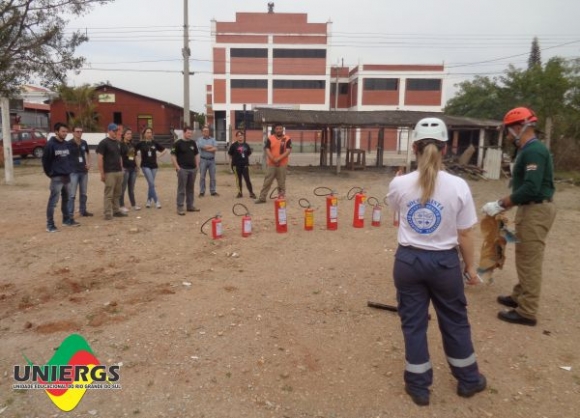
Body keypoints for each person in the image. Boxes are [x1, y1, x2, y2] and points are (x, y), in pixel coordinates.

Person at [386, 117, 486, 406]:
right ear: (445, 149)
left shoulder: (400, 182)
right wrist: (469, 267)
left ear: (415, 147)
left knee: (413, 324)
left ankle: (418, 387)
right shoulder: (458, 186)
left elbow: (396, 211)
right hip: (444, 264)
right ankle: (468, 380)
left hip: (408, 262)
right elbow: (465, 233)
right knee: (455, 321)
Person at [481, 107, 556, 326]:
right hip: (530, 208)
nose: (507, 135)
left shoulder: (534, 151)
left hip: (536, 208)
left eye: (507, 130)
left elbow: (531, 187)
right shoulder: (529, 150)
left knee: (529, 259)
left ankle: (527, 311)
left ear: (517, 127)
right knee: (524, 254)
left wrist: (500, 203)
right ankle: (518, 296)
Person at [42, 122, 79, 231]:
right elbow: (45, 162)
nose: (65, 133)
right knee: (53, 202)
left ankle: (66, 220)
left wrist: (69, 169)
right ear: (56, 132)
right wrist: (51, 174)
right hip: (56, 177)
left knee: (66, 199)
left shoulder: (66, 144)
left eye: (66, 131)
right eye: (63, 131)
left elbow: (69, 159)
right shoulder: (50, 145)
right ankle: (50, 225)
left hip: (66, 176)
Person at [255, 123, 292, 204]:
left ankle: (281, 197)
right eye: (277, 129)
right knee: (267, 181)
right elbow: (267, 149)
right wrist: (273, 159)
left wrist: (278, 159)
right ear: (274, 130)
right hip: (271, 164)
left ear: (282, 129)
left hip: (282, 164)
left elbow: (288, 150)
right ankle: (262, 198)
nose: (279, 130)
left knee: (281, 182)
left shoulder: (287, 138)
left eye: (280, 128)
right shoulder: (270, 138)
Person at [96, 123, 127, 220]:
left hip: (118, 171)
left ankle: (116, 210)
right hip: (109, 172)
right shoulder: (104, 143)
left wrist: (121, 168)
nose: (116, 132)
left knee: (117, 193)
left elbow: (120, 156)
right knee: (109, 194)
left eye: (117, 130)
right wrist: (102, 173)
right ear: (109, 131)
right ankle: (108, 213)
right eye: (114, 130)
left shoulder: (118, 143)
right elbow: (100, 158)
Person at [171, 126, 201, 215]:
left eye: (191, 133)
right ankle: (180, 207)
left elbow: (196, 154)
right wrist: (178, 168)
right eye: (188, 133)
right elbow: (173, 156)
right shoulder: (177, 143)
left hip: (192, 169)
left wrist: (197, 166)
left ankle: (190, 206)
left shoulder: (193, 143)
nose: (190, 134)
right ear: (184, 133)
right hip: (182, 169)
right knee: (181, 189)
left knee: (190, 189)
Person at [135, 127, 166, 208]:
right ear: (144, 134)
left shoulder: (154, 143)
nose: (149, 134)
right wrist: (135, 159)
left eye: (150, 132)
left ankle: (148, 200)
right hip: (145, 166)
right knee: (152, 183)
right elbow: (132, 151)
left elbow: (164, 150)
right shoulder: (140, 144)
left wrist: (159, 156)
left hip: (154, 166)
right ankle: (156, 201)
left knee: (150, 184)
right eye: (147, 132)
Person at [67, 125, 93, 218]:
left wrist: (89, 163)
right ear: (73, 132)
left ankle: (83, 211)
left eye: (81, 131)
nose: (79, 133)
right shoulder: (68, 144)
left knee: (83, 193)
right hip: (73, 172)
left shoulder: (84, 143)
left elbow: (88, 153)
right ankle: (70, 213)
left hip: (83, 171)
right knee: (72, 193)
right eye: (77, 131)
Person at [228, 130, 256, 199]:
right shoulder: (233, 145)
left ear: (243, 137)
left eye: (241, 135)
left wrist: (244, 159)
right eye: (239, 135)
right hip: (236, 166)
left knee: (247, 179)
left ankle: (251, 193)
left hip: (245, 165)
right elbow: (230, 154)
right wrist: (235, 160)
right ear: (236, 137)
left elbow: (248, 153)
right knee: (238, 180)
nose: (240, 137)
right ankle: (240, 193)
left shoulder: (246, 145)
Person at [119, 128, 141, 212]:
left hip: (133, 169)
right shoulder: (121, 144)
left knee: (131, 188)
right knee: (123, 188)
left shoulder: (132, 145)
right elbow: (120, 157)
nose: (129, 135)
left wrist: (137, 167)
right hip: (125, 169)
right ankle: (121, 205)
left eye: (130, 133)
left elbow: (133, 156)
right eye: (128, 133)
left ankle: (133, 204)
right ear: (124, 135)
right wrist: (121, 167)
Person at [196, 126, 219, 197]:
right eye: (204, 131)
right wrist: (210, 147)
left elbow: (215, 148)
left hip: (212, 161)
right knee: (202, 176)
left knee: (213, 177)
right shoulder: (199, 139)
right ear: (202, 132)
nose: (206, 132)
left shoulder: (213, 139)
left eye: (207, 131)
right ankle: (202, 191)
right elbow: (200, 146)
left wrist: (206, 148)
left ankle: (213, 191)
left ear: (209, 132)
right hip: (203, 160)